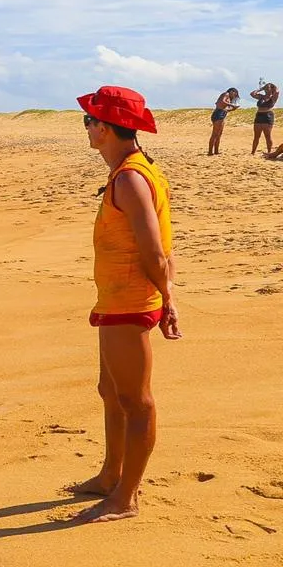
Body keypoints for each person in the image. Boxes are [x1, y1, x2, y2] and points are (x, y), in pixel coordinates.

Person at [71, 86, 181, 524]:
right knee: (110, 392)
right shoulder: (131, 171)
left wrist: (168, 300)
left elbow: (155, 252)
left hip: (131, 301)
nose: (87, 128)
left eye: (89, 121)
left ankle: (126, 497)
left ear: (105, 128)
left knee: (136, 401)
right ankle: (109, 475)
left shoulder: (132, 178)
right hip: (116, 298)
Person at [207, 88, 239, 155]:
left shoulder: (229, 98)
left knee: (219, 134)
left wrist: (234, 108)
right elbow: (222, 101)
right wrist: (232, 105)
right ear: (231, 91)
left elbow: (226, 109)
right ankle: (210, 152)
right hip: (218, 114)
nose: (234, 95)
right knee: (215, 134)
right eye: (234, 93)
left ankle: (216, 151)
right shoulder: (226, 94)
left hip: (222, 114)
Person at [250, 82, 277, 155]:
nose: (266, 89)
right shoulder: (261, 96)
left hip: (268, 115)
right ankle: (253, 152)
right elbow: (252, 94)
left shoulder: (273, 97)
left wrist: (272, 86)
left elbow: (277, 91)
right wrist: (261, 88)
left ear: (271, 88)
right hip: (259, 115)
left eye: (268, 87)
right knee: (256, 136)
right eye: (265, 88)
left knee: (267, 135)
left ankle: (269, 152)